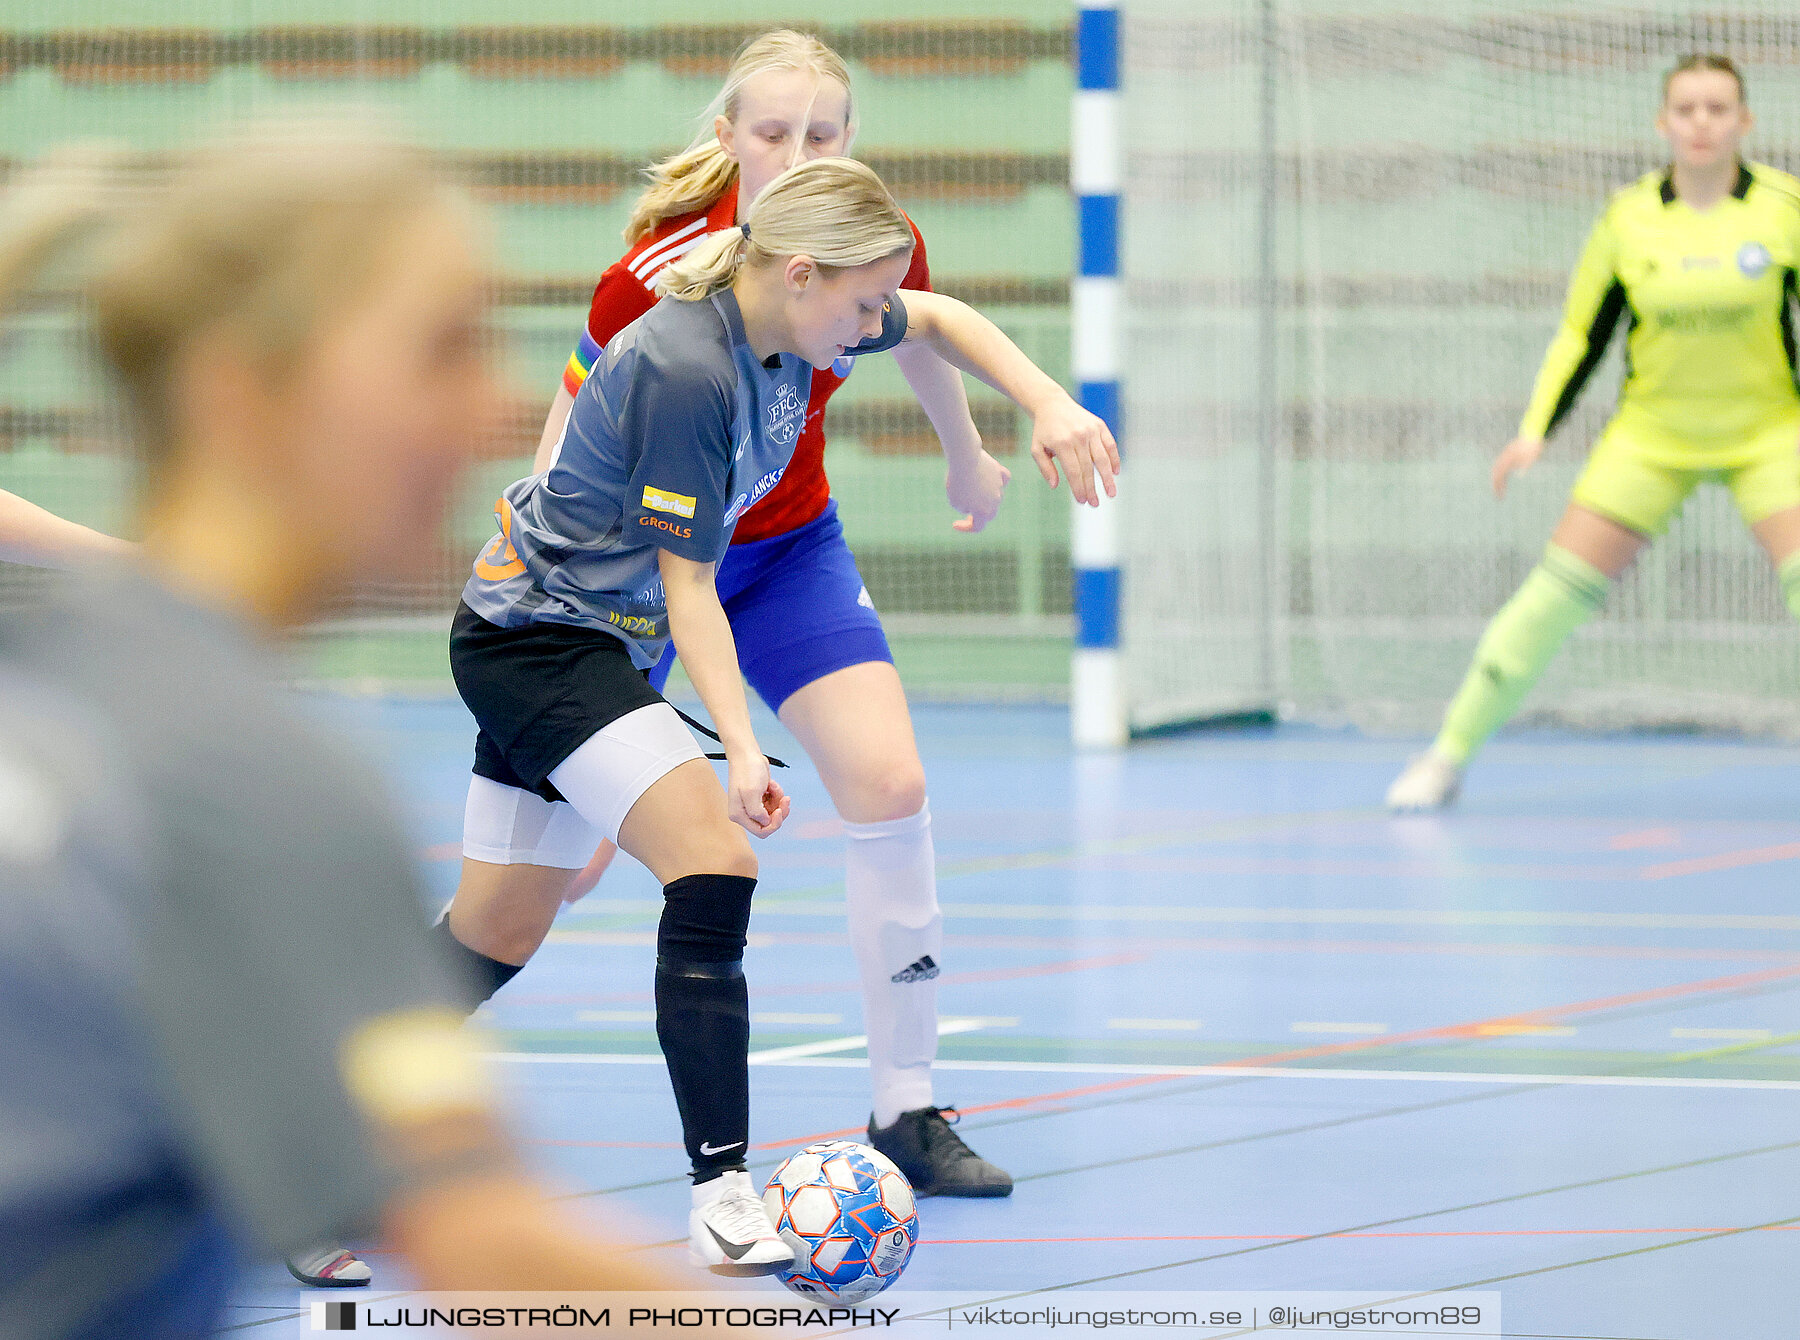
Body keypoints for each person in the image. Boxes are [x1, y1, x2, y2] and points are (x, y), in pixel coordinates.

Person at [0, 128, 720, 1331]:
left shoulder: (67, 686)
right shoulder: (257, 779)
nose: (493, 408)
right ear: (243, 390)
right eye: (440, 350)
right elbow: (480, 1236)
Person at [440, 28, 1118, 1207]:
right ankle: (345, 1071)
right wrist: (608, 705)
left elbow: (930, 323)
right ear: (728, 142)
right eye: (775, 133)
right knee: (533, 903)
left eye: (825, 132)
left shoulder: (855, 255)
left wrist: (984, 443)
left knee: (889, 784)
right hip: (639, 587)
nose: (801, 152)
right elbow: (579, 458)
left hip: (779, 552)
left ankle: (904, 1105)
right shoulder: (657, 295)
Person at [1387, 55, 1800, 810]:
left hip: (1770, 434)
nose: (1702, 121)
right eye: (1686, 108)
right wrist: (1534, 431)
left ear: (1745, 121)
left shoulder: (1783, 209)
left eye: (1718, 108)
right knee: (1548, 601)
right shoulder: (1628, 216)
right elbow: (1583, 334)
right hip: (1650, 439)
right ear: (1663, 122)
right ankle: (1446, 757)